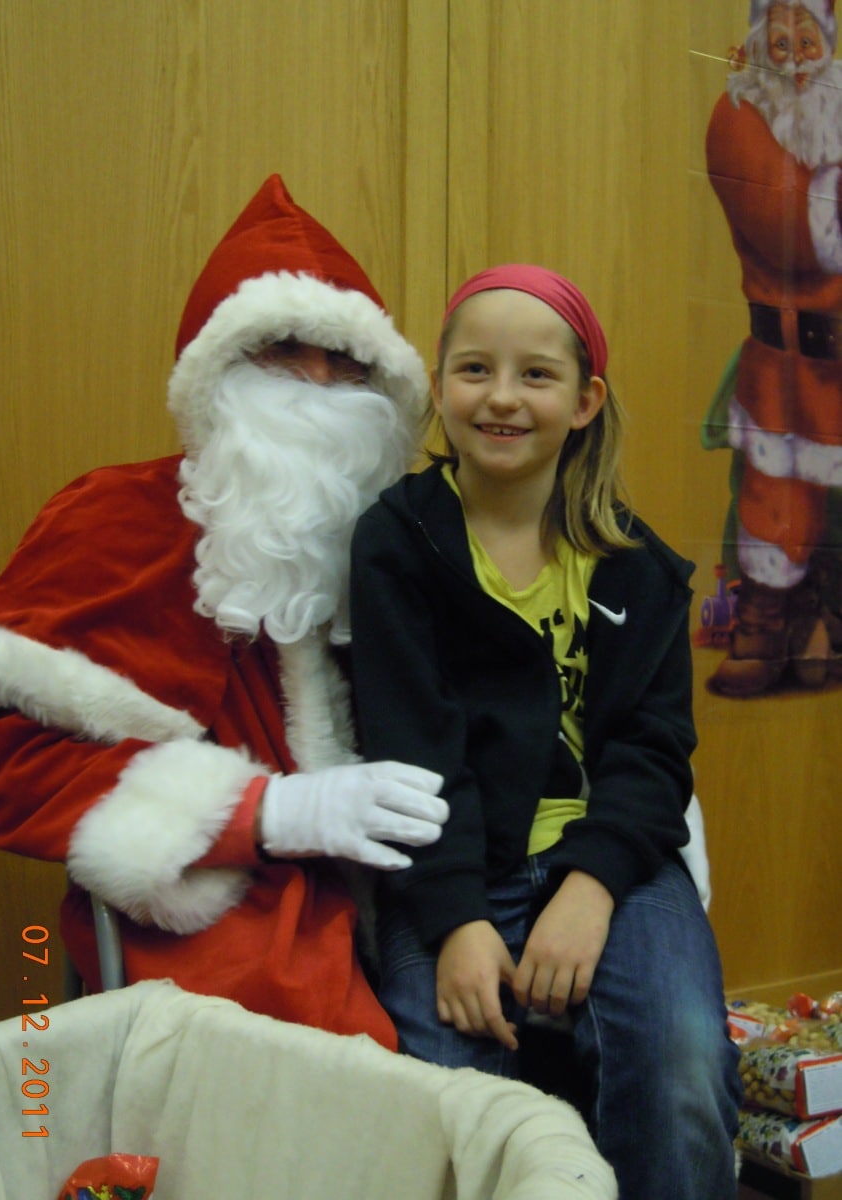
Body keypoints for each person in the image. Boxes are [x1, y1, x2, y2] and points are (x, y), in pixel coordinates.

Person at [0, 173, 449, 1051]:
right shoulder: (114, 520)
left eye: (346, 360)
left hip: (406, 887)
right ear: (217, 373)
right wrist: (266, 813)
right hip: (211, 904)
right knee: (314, 1062)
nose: (319, 381)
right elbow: (16, 765)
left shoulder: (396, 537)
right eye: (285, 350)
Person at [348, 265, 742, 1197]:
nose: (502, 397)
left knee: (684, 1059)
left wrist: (590, 890)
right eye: (474, 370)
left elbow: (654, 754)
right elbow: (411, 751)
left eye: (536, 375)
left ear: (585, 401)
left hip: (611, 868)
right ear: (438, 386)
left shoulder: (637, 566)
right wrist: (457, 923)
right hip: (454, 870)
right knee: (444, 1101)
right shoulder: (398, 542)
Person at [705, 0, 842, 696]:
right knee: (776, 494)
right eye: (779, 45)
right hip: (788, 362)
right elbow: (790, 231)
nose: (793, 61)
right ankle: (765, 621)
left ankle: (821, 618)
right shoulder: (740, 117)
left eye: (806, 43)